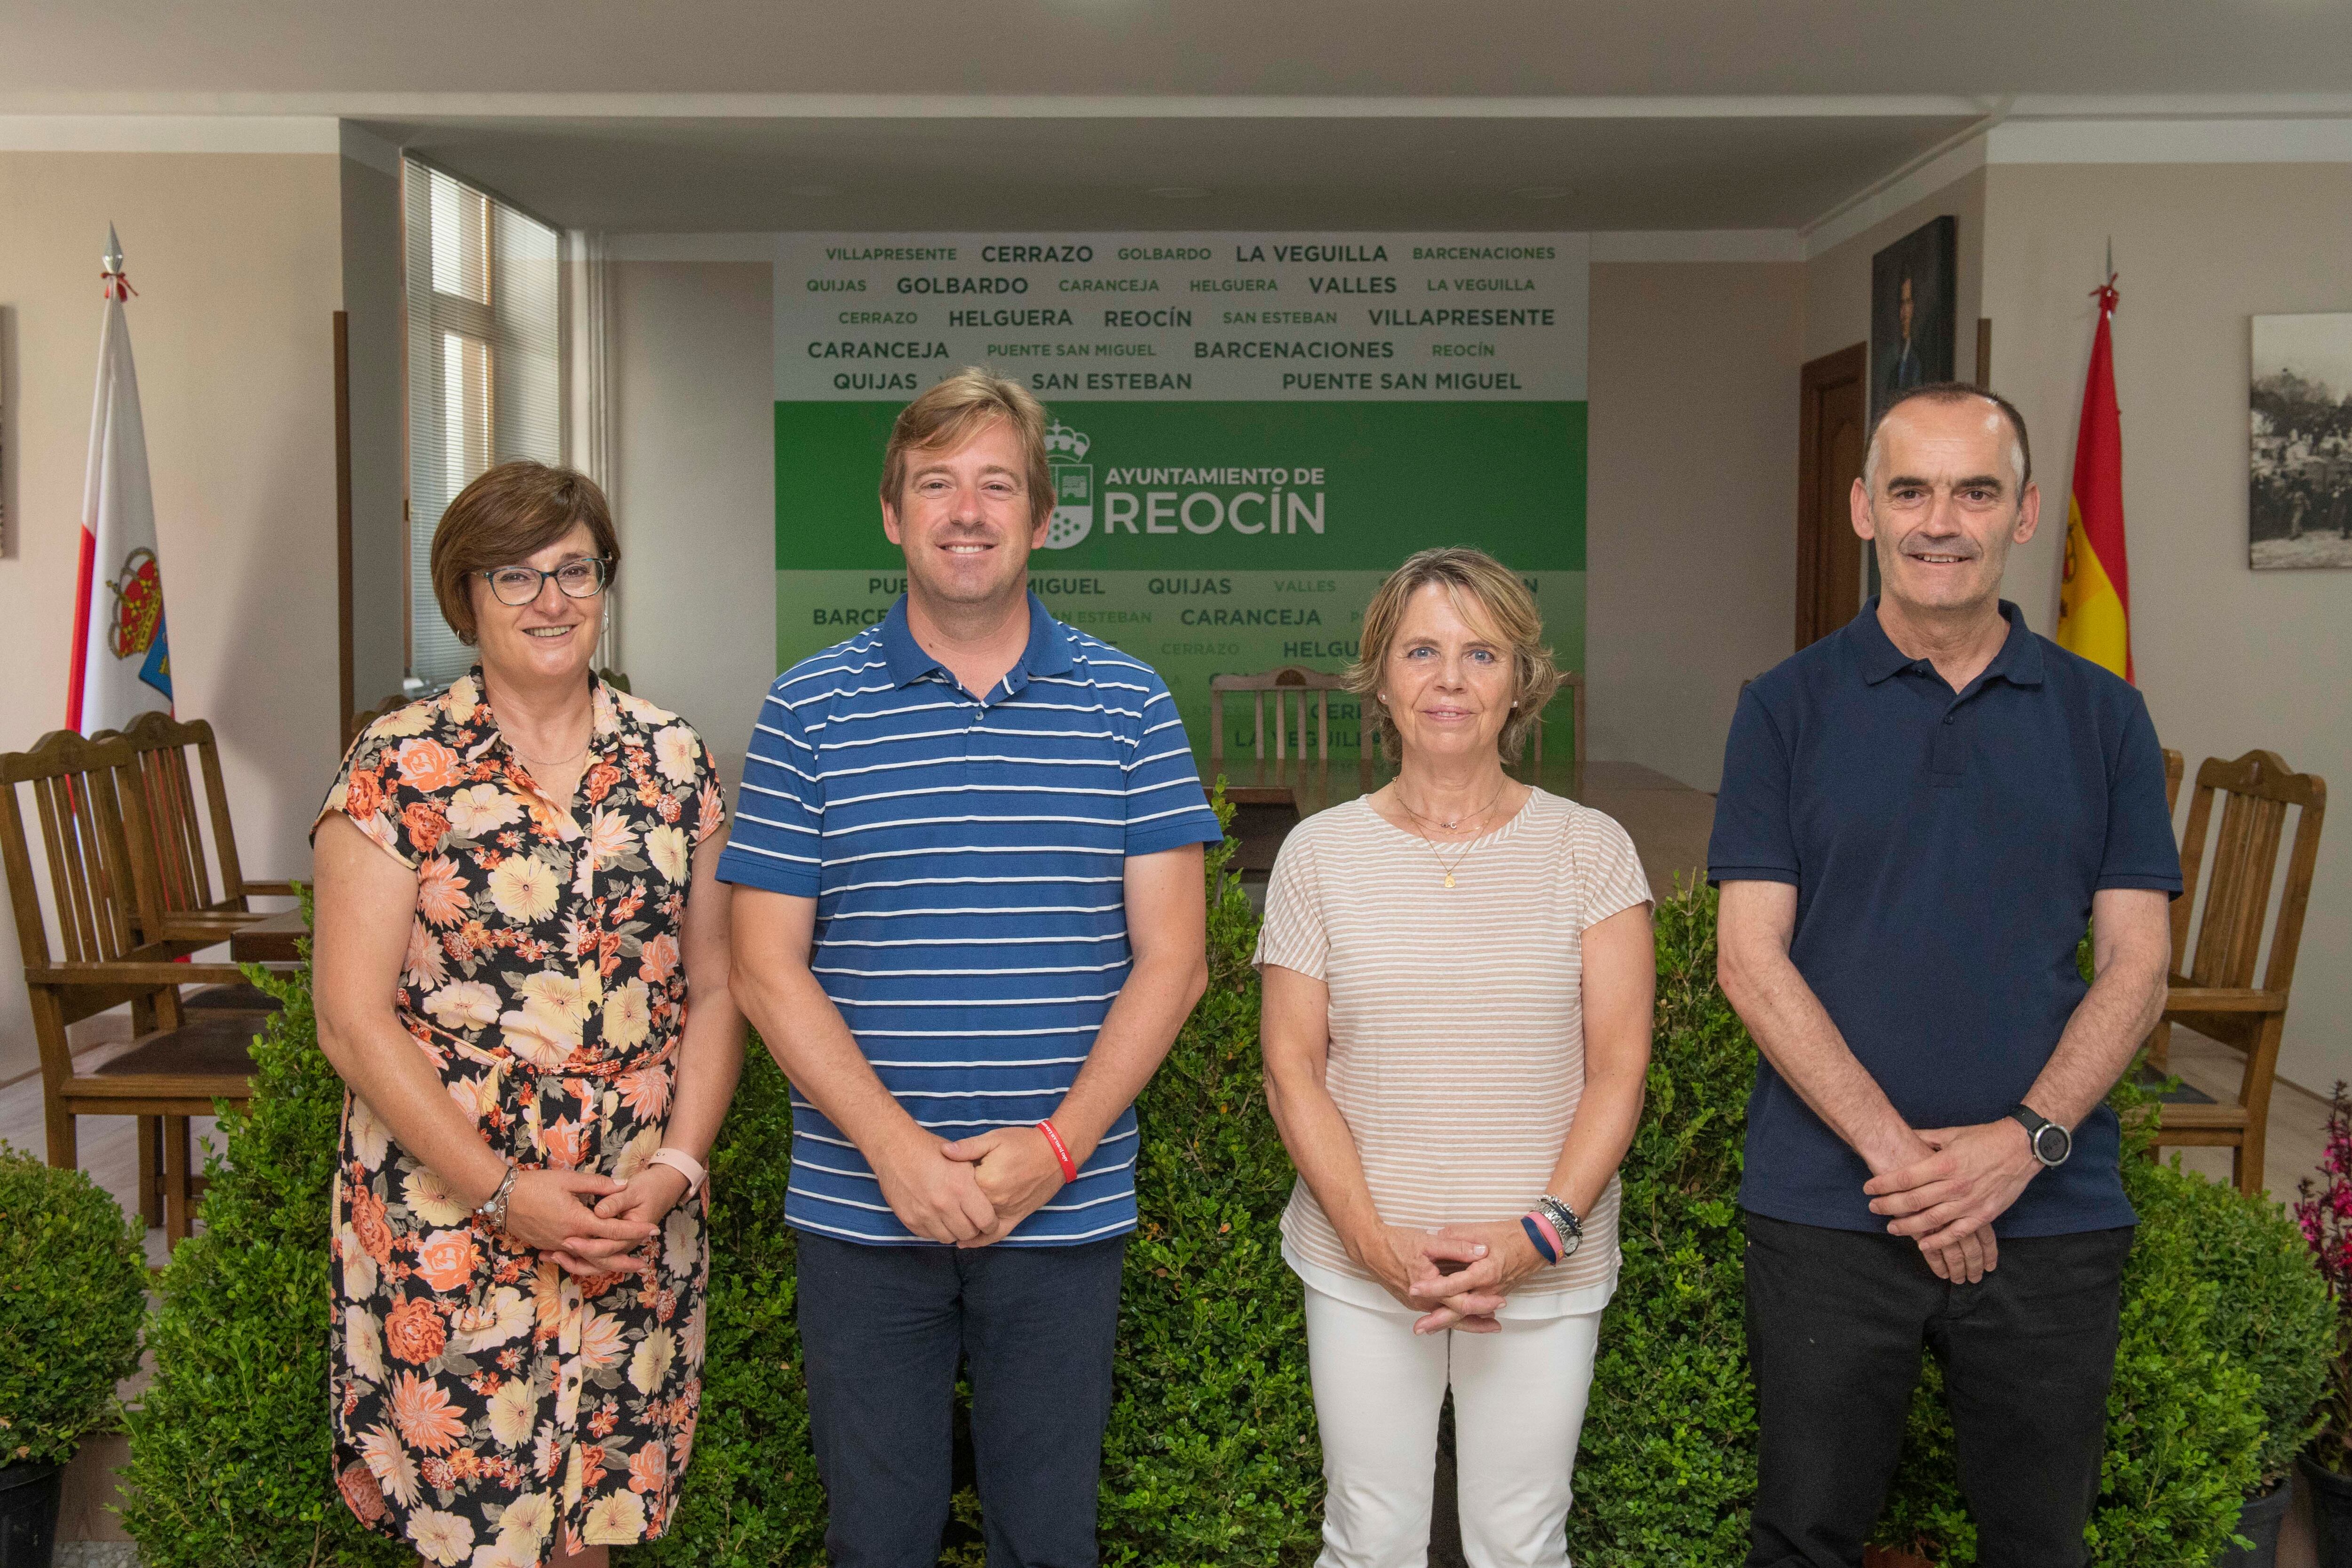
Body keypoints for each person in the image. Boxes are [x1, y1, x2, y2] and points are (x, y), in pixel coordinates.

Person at [720, 368, 1224, 1567]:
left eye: (997, 483)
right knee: (877, 1539)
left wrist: (1054, 1151)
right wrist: (896, 1150)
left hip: (1064, 1203)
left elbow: (1176, 961)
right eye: (935, 483)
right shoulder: (806, 712)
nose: (967, 509)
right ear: (892, 516)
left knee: (1050, 1539)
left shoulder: (1129, 704)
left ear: (1043, 519)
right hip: (861, 1207)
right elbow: (762, 966)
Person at [1708, 383, 2179, 1568]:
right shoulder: (1782, 708)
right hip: (1830, 1201)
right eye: (1910, 488)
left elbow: (2137, 961)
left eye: (1976, 490)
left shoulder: (2106, 716)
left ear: (2023, 515)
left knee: (2040, 1542)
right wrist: (1905, 1160)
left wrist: (2020, 1145)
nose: (1940, 519)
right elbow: (1747, 958)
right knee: (1804, 1532)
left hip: (2052, 1207)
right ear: (1864, 508)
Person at [314, 461, 746, 1568]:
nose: (550, 599)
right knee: (477, 1524)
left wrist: (679, 1169)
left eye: (575, 569)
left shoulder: (673, 755)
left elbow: (715, 985)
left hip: (626, 1206)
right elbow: (352, 1021)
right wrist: (505, 1191)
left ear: (606, 584)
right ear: (464, 596)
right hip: (450, 1205)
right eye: (515, 575)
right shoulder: (401, 764)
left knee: (593, 1517)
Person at [1256, 547, 1655, 1568]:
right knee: (1368, 1539)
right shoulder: (1318, 854)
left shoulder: (1591, 847)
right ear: (1379, 676)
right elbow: (1292, 1068)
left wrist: (1538, 1231)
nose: (1449, 678)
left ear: (1520, 679)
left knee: (1521, 1543)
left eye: (1481, 652)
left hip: (1545, 1266)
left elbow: (1617, 1068)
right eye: (1421, 649)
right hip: (1360, 1261)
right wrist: (1374, 1244)